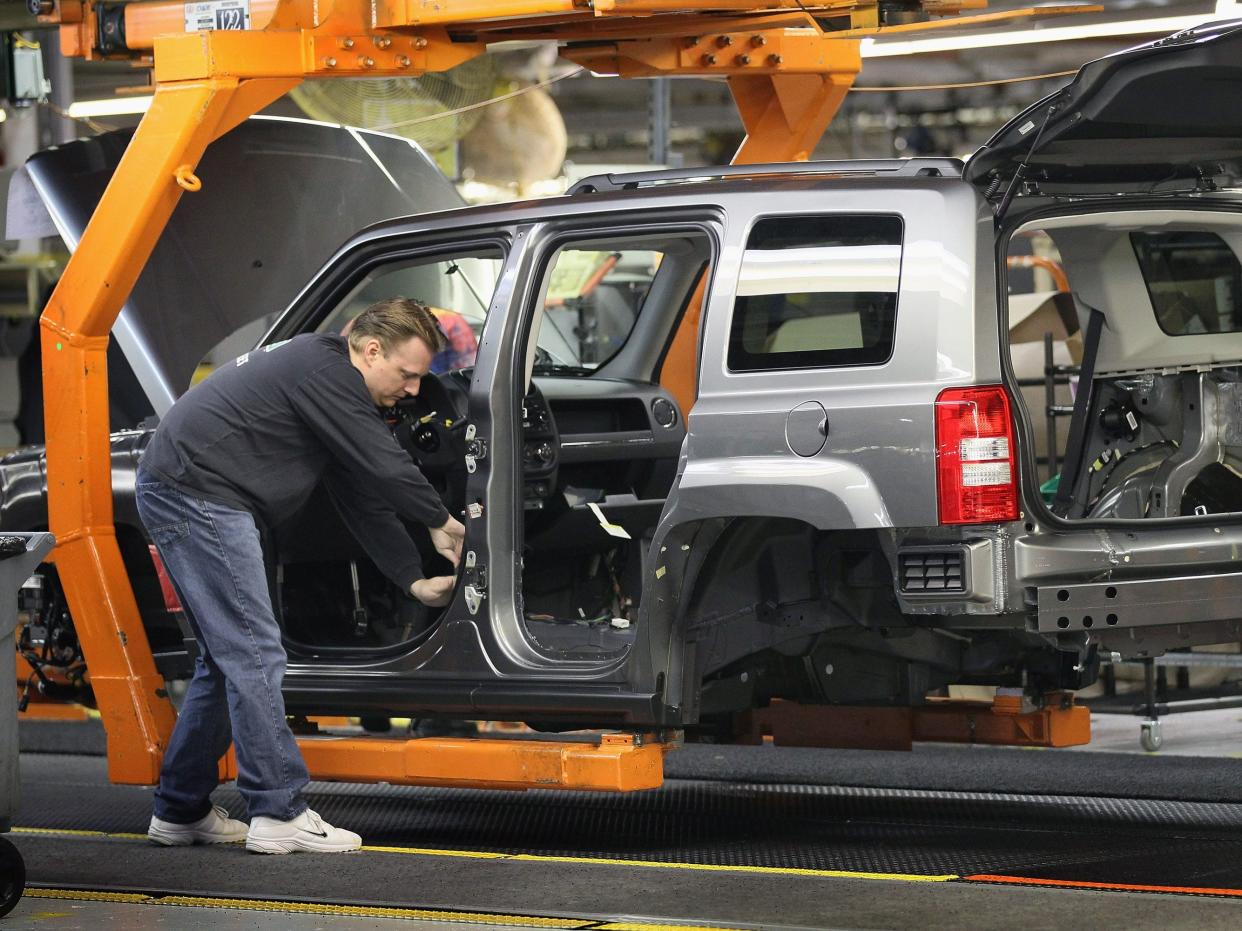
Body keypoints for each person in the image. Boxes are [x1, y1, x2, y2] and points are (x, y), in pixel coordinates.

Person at [136, 298, 465, 854]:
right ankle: (279, 810)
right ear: (370, 349)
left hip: (187, 490)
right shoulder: (324, 369)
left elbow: (362, 493)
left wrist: (410, 579)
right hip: (200, 494)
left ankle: (180, 809)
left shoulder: (328, 383)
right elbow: (385, 463)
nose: (413, 391)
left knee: (224, 659)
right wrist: (439, 520)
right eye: (407, 375)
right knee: (255, 653)